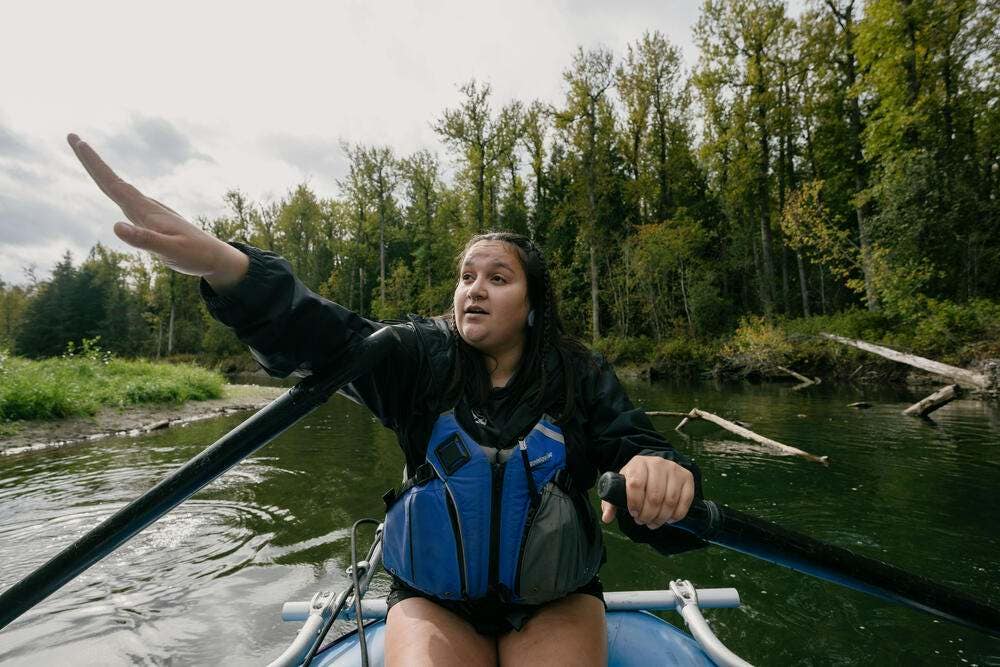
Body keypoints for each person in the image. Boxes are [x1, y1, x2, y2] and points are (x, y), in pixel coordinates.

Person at [67, 133, 706, 666]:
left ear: (533, 307)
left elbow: (640, 452)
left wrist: (660, 472)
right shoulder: (413, 358)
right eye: (466, 277)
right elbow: (319, 335)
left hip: (555, 603)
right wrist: (228, 268)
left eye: (498, 278)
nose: (474, 289)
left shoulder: (579, 374)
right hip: (434, 603)